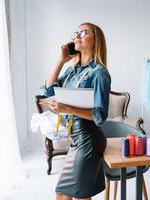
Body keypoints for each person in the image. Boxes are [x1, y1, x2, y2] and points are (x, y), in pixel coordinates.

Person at [42, 22, 111, 200]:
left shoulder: (100, 73)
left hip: (88, 138)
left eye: (84, 32)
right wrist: (60, 61)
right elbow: (49, 90)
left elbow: (100, 115)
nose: (77, 36)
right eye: (76, 33)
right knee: (70, 193)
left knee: (70, 195)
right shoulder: (73, 70)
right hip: (75, 139)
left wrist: (66, 108)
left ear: (96, 40)